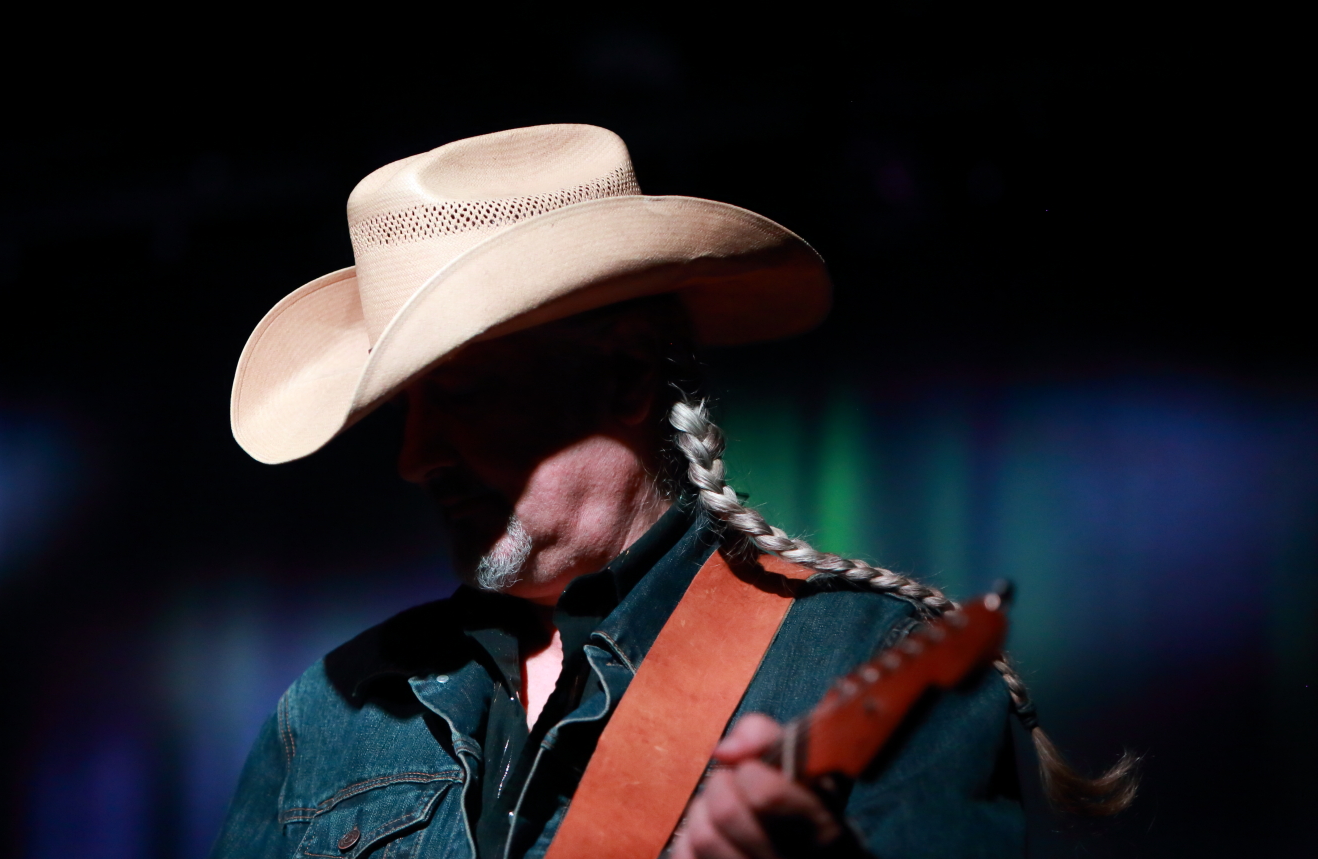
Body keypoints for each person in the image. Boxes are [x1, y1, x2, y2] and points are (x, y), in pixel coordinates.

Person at [213, 125, 1135, 859]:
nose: (414, 457)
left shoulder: (856, 656)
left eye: (459, 394)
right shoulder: (328, 711)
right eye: (405, 410)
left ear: (622, 376)